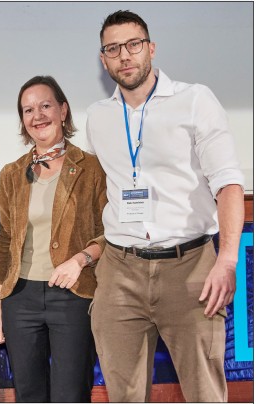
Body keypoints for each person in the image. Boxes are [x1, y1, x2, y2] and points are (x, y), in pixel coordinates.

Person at [85, 10, 244, 402]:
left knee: (205, 393)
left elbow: (228, 184)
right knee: (123, 395)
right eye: (113, 48)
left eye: (134, 44)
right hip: (120, 271)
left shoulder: (194, 100)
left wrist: (226, 262)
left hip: (190, 270)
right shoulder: (99, 117)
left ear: (151, 48)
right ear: (103, 59)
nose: (125, 55)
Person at [0, 76, 106, 402]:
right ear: (23, 121)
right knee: (29, 395)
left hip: (74, 296)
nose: (37, 115)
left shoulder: (92, 168)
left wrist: (81, 259)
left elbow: (109, 233)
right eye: (28, 110)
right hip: (19, 299)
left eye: (45, 106)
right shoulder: (12, 173)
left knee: (72, 394)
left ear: (63, 110)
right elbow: (5, 242)